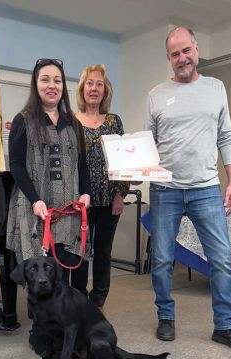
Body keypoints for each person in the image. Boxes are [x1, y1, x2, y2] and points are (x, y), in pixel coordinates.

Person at [146, 27, 231, 353]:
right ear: (169, 58)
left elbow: (226, 136)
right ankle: (166, 316)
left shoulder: (215, 87)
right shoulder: (156, 94)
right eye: (175, 54)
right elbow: (148, 144)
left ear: (196, 49)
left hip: (207, 189)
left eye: (186, 51)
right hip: (164, 189)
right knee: (162, 260)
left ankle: (225, 326)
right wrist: (133, 163)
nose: (182, 58)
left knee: (222, 258)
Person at [6, 58, 91, 295]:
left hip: (69, 211)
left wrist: (86, 193)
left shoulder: (74, 124)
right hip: (36, 209)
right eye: (45, 80)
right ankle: (43, 326)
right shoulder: (23, 121)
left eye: (57, 80)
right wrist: (36, 200)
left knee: (62, 273)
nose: (51, 85)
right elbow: (16, 165)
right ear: (36, 84)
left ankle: (65, 320)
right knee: (40, 276)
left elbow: (82, 166)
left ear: (63, 86)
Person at [75, 64, 130, 307]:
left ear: (105, 90)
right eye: (90, 83)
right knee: (79, 251)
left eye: (99, 84)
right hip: (79, 200)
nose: (94, 89)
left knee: (103, 251)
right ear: (82, 89)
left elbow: (124, 160)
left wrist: (120, 193)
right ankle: (78, 298)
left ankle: (98, 300)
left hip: (109, 199)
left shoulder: (113, 121)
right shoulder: (71, 121)